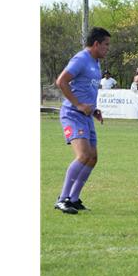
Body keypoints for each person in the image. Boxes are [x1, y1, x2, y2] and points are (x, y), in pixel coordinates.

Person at [53, 27, 111, 214]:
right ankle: (62, 199)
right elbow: (61, 81)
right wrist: (78, 105)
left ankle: (74, 199)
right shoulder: (81, 59)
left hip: (86, 116)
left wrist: (93, 110)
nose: (107, 49)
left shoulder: (95, 62)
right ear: (96, 44)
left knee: (92, 158)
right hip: (72, 114)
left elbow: (85, 89)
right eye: (106, 45)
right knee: (84, 155)